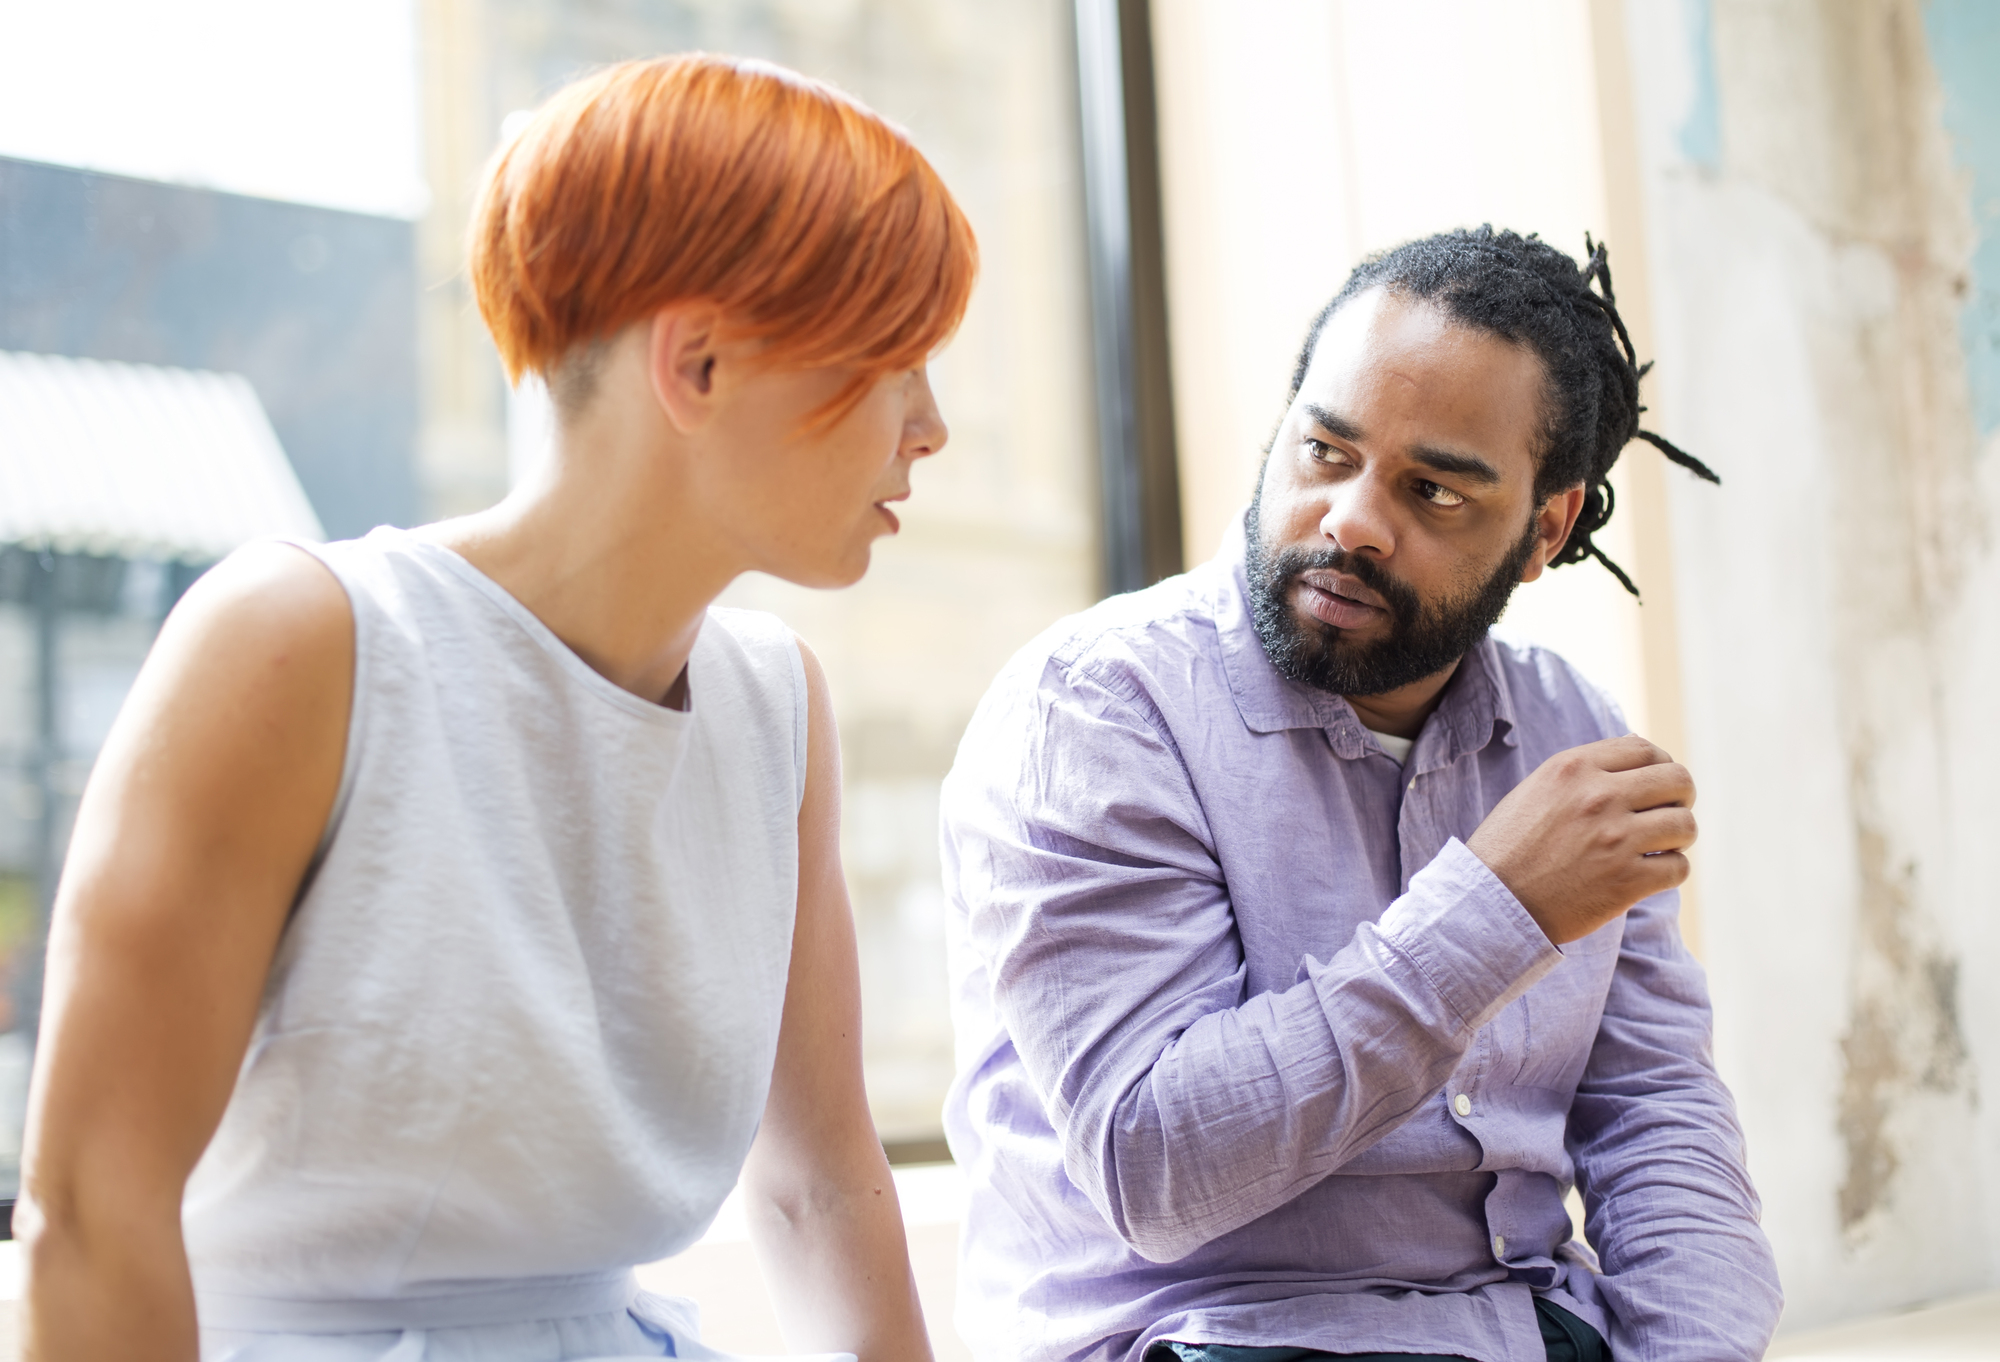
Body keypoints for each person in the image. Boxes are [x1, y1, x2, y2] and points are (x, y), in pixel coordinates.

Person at [20, 54, 975, 1362]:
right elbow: (90, 1212)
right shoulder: (300, 644)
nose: (932, 426)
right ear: (695, 363)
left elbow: (818, 1184)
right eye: (895, 357)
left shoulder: (776, 708)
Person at [940, 228, 1781, 1362]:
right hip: (1207, 1340)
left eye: (1430, 491)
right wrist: (1497, 907)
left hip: (1526, 1334)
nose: (1349, 520)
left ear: (1545, 527)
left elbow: (1654, 1115)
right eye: (1324, 452)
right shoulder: (1094, 710)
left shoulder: (1566, 733)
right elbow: (1155, 1165)